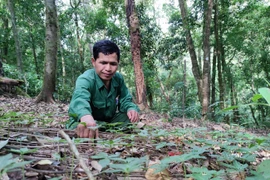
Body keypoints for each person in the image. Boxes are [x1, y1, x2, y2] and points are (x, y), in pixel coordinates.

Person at [66, 39, 140, 139]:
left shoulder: (118, 78)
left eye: (113, 64)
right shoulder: (85, 79)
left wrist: (131, 108)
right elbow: (80, 100)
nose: (108, 69)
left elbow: (125, 99)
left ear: (118, 63)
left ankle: (104, 129)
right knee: (78, 126)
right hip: (87, 120)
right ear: (93, 62)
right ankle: (102, 130)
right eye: (103, 63)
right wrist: (85, 116)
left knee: (130, 118)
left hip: (109, 121)